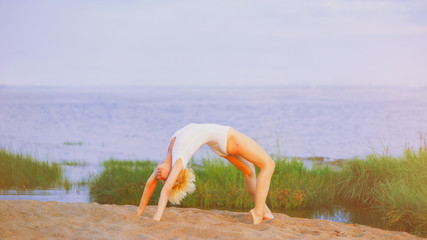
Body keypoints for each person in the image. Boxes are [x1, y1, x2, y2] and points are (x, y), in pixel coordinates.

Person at [135, 123, 275, 224]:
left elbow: (149, 183)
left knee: (249, 172)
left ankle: (265, 211)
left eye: (160, 178)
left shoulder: (167, 160)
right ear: (174, 175)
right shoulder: (179, 160)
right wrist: (156, 219)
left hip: (220, 145)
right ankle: (258, 212)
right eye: (164, 178)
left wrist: (139, 212)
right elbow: (166, 190)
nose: (159, 176)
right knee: (268, 165)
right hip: (228, 138)